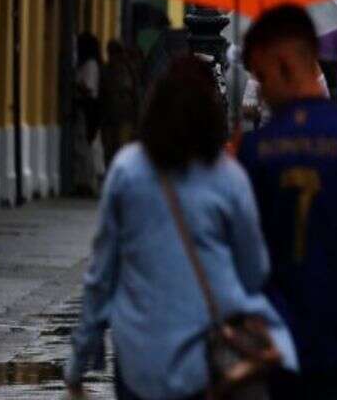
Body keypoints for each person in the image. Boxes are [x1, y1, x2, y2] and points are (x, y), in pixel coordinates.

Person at [64, 56, 297, 400]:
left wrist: (79, 359)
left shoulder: (127, 172)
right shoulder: (229, 178)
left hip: (139, 358)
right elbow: (254, 269)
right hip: (208, 357)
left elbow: (101, 274)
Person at [237, 5, 337, 398]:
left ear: (285, 62)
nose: (260, 86)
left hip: (271, 333)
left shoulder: (254, 150)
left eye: (261, 74)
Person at [74, 32, 104, 195]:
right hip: (88, 106)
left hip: (87, 107)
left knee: (85, 146)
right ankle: (85, 180)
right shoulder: (92, 63)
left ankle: (86, 182)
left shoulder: (90, 64)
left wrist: (76, 84)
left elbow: (89, 88)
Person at [100, 40, 140, 162]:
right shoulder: (126, 68)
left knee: (115, 149)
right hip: (119, 116)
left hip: (118, 116)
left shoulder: (119, 68)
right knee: (118, 149)